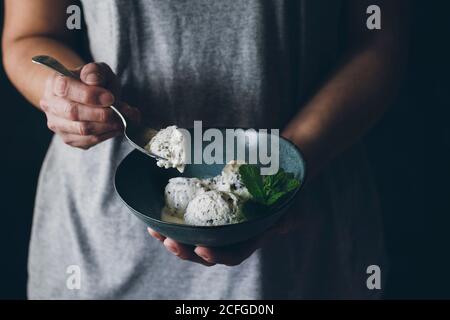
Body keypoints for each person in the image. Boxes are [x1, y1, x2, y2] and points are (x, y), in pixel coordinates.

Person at [2, 0, 409, 299]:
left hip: (305, 239)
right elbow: (31, 35)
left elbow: (378, 40)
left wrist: (285, 168)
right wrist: (65, 95)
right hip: (100, 248)